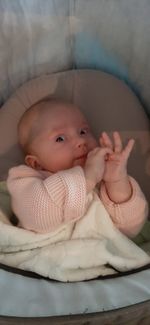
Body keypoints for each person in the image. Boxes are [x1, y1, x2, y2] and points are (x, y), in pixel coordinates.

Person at [7, 99, 148, 236]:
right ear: (36, 163)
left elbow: (131, 230)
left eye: (83, 131)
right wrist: (87, 179)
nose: (81, 141)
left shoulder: (103, 178)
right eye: (60, 138)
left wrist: (116, 181)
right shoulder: (24, 180)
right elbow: (37, 214)